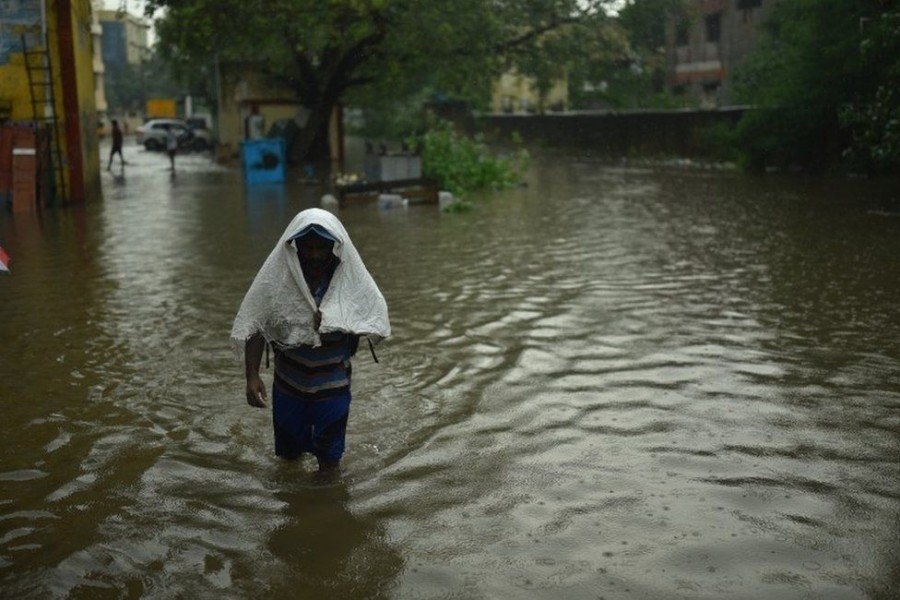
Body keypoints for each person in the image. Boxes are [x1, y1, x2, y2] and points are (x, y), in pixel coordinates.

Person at [231, 208, 391, 474]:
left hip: (333, 389)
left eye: (322, 248)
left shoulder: (346, 281)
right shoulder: (279, 280)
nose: (315, 255)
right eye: (308, 248)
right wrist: (252, 376)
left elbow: (356, 337)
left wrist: (333, 322)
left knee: (330, 464)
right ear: (296, 248)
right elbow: (256, 323)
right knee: (288, 460)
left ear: (334, 248)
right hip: (288, 388)